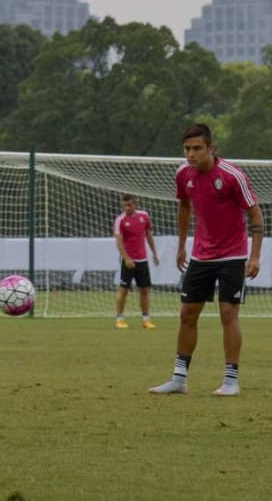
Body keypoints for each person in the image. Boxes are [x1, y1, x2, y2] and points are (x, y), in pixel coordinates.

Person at [149, 122, 263, 397]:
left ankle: (231, 380)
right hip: (201, 255)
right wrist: (181, 246)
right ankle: (179, 378)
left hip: (233, 254)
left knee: (228, 313)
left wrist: (255, 256)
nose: (191, 154)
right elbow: (185, 206)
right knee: (187, 313)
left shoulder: (232, 175)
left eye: (197, 148)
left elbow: (256, 216)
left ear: (211, 148)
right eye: (187, 149)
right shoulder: (183, 174)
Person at [113, 194, 159, 329]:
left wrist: (155, 253)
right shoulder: (120, 220)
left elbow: (149, 235)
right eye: (124, 205)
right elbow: (119, 240)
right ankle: (119, 319)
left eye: (129, 205)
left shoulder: (144, 216)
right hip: (128, 261)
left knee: (144, 290)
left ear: (135, 205)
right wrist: (126, 258)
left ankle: (146, 319)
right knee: (124, 290)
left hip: (142, 260)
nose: (126, 208)